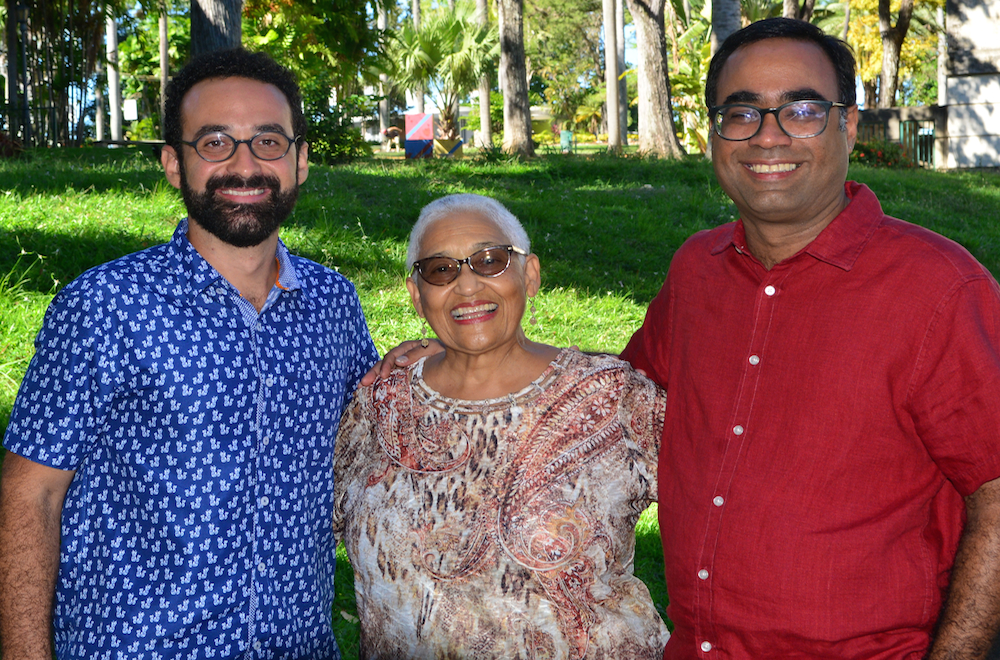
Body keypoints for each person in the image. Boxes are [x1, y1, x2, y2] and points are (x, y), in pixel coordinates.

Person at [367, 18, 1000, 659]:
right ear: (714, 133)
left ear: (849, 125)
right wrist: (467, 354)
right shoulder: (698, 270)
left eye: (802, 109)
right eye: (742, 112)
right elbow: (600, 403)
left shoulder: (938, 289)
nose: (769, 135)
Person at [0, 49, 378, 660]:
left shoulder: (332, 304)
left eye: (268, 141)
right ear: (174, 164)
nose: (244, 164)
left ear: (301, 160)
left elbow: (380, 442)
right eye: (215, 143)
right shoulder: (105, 305)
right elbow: (30, 494)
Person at [333, 193, 670, 659]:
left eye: (490, 261)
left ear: (529, 275)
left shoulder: (612, 398)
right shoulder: (380, 404)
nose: (468, 286)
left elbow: (725, 526)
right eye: (441, 270)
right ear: (416, 294)